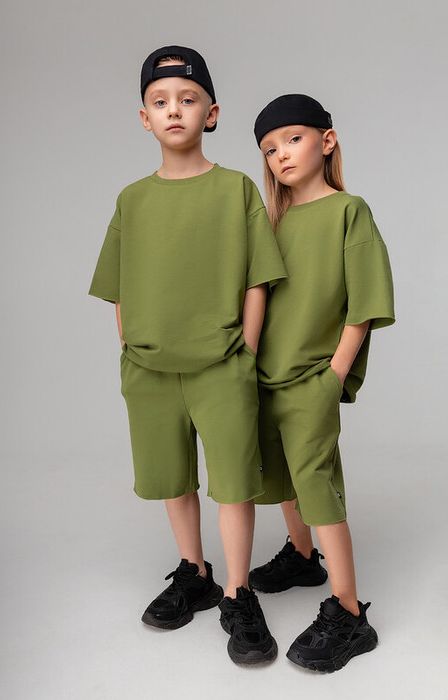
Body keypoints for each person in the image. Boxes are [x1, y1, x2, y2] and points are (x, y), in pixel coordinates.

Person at [89, 45, 287, 666]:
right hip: (150, 369)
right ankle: (194, 571)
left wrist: (245, 349)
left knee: (233, 483)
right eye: (160, 101)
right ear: (144, 118)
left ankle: (237, 592)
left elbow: (258, 277)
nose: (174, 110)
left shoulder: (235, 191)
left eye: (188, 99)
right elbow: (117, 284)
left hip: (222, 364)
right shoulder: (132, 199)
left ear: (212, 113)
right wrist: (129, 345)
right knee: (173, 479)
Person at [249, 94, 395, 672]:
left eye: (293, 139)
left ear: (326, 140)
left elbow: (364, 301)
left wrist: (334, 375)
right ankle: (302, 555)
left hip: (312, 377)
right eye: (269, 149)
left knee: (316, 483)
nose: (281, 155)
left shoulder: (348, 211)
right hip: (266, 375)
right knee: (282, 472)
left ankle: (349, 611)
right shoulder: (273, 221)